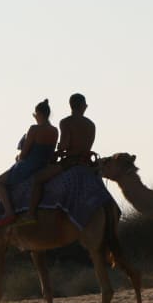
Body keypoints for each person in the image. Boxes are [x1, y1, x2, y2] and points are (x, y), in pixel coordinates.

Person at [24, 93, 97, 224]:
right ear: (84, 107)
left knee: (38, 179)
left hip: (70, 163)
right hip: (87, 164)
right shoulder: (91, 125)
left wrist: (56, 152)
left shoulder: (66, 122)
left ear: (71, 106)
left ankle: (30, 214)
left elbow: (64, 146)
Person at [0, 99, 58, 226]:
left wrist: (18, 157)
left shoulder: (34, 129)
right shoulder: (55, 131)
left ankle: (9, 213)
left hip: (28, 167)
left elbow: (24, 154)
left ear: (38, 114)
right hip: (44, 166)